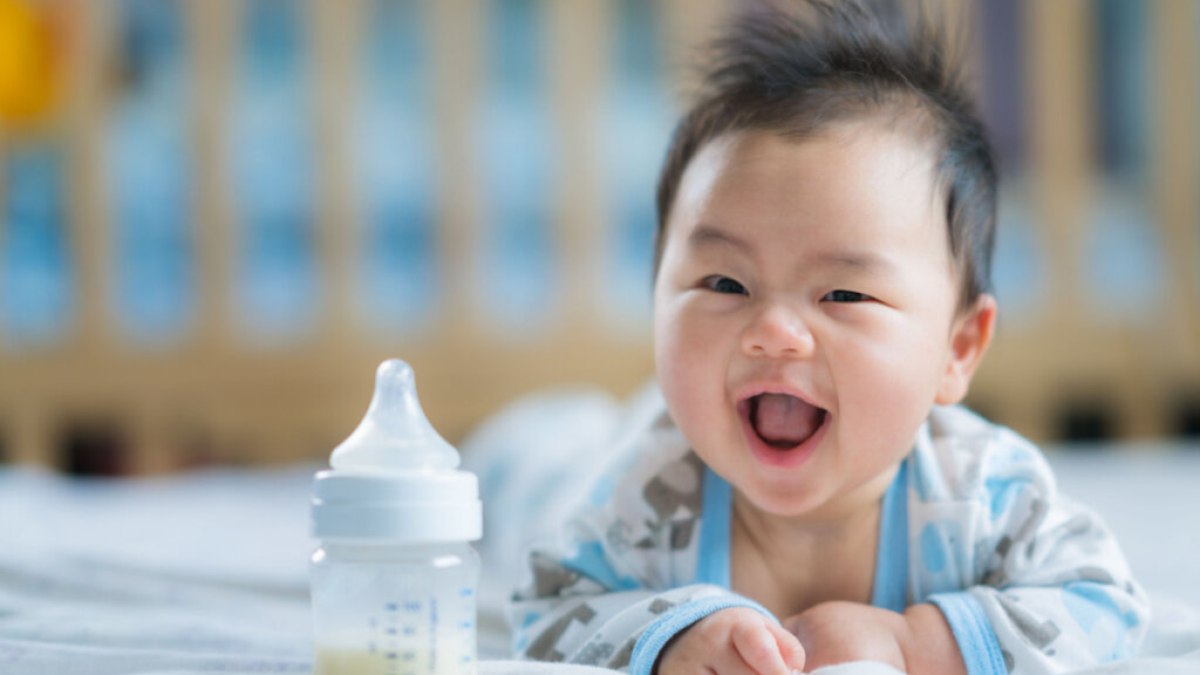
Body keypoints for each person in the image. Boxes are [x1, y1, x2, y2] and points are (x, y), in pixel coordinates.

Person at [509, 1, 1148, 673]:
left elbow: (1106, 603)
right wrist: (668, 637)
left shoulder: (980, 495)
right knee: (539, 471)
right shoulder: (648, 493)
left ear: (957, 349)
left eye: (843, 294)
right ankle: (551, 433)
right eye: (725, 284)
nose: (775, 332)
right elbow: (541, 607)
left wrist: (916, 642)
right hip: (595, 447)